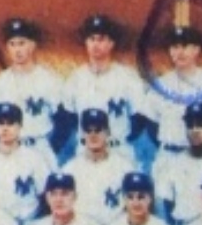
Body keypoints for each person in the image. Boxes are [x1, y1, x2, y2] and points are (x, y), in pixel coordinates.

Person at [143, 22, 202, 163]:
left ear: (196, 50)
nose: (179, 52)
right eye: (175, 47)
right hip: (169, 155)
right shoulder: (160, 85)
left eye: (185, 46)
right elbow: (151, 123)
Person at [61, 14, 149, 158]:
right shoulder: (75, 78)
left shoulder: (127, 78)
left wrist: (120, 137)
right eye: (91, 39)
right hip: (85, 151)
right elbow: (69, 117)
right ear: (86, 43)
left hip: (118, 150)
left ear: (111, 43)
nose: (95, 45)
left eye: (101, 39)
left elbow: (139, 118)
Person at [0, 17, 64, 154]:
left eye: (22, 43)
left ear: (32, 45)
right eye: (12, 44)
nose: (17, 50)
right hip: (10, 149)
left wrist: (52, 148)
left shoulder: (49, 80)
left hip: (39, 147)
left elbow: (63, 121)